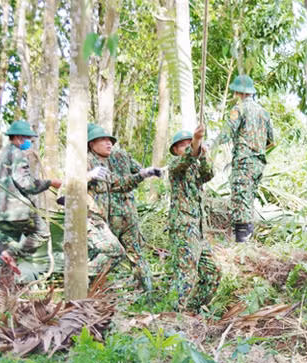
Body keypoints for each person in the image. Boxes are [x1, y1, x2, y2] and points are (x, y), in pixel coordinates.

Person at [86, 124, 161, 291]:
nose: (108, 143)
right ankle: (89, 287)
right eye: (103, 140)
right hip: (102, 217)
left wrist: (145, 173)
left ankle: (147, 294)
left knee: (134, 253)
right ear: (91, 143)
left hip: (122, 213)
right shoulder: (88, 161)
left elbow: (123, 179)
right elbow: (69, 185)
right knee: (110, 252)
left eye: (110, 140)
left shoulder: (117, 156)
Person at [0, 120, 62, 291]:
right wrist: (49, 182)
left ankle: (4, 295)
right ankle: (13, 254)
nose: (29, 141)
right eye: (27, 138)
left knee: (4, 255)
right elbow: (25, 183)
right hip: (17, 210)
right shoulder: (17, 154)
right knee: (42, 232)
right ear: (18, 137)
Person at [167, 126, 221, 311]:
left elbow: (209, 173)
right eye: (182, 146)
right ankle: (174, 314)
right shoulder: (175, 166)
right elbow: (186, 159)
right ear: (175, 150)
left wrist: (204, 154)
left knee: (213, 272)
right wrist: (196, 142)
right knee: (185, 273)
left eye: (189, 144)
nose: (187, 147)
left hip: (198, 229)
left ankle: (191, 309)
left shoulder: (196, 170)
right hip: (183, 226)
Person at [216, 75, 274, 242]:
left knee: (240, 202)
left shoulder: (238, 109)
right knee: (248, 200)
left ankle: (242, 245)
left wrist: (209, 145)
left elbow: (227, 134)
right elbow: (271, 141)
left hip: (244, 162)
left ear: (237, 92)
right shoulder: (264, 112)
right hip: (258, 164)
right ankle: (246, 244)